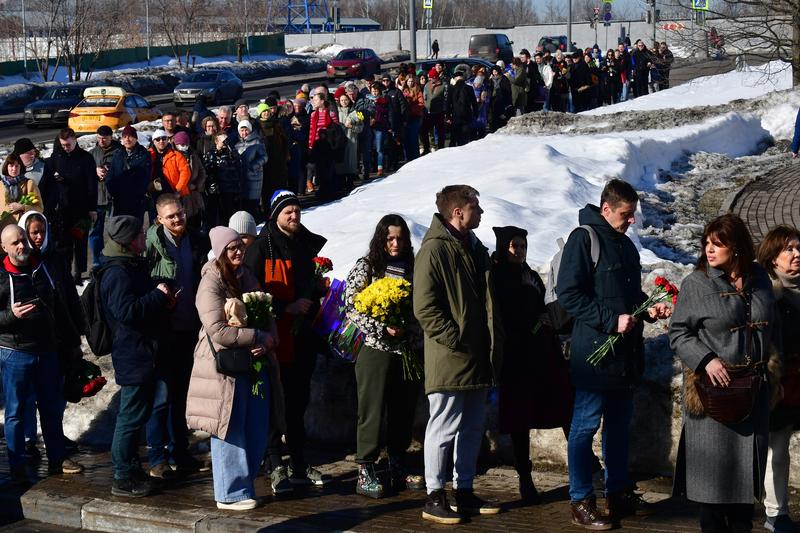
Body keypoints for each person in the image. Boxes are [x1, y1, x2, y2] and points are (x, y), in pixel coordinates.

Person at [557, 179, 671, 530]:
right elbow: (569, 294)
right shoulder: (584, 239)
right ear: (606, 209)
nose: (632, 220)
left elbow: (627, 295)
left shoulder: (624, 245)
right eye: (626, 214)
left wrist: (647, 310)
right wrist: (610, 320)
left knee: (619, 428)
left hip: (624, 357)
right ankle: (580, 499)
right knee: (584, 427)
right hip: (594, 356)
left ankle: (617, 490)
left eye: (633, 213)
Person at [669, 213, 779, 533]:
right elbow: (679, 333)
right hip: (713, 396)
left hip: (753, 394)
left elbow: (774, 327)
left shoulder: (759, 279)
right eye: (706, 243)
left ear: (737, 246)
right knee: (713, 501)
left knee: (744, 501)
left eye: (718, 244)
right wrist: (706, 360)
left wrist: (776, 370)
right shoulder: (696, 283)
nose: (709, 250)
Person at [413, 185, 501, 524]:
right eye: (475, 207)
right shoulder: (434, 250)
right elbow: (424, 306)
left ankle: (463, 490)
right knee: (444, 425)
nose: (481, 213)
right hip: (451, 356)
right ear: (457, 212)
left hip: (478, 356)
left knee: (472, 426)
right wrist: (454, 339)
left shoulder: (474, 248)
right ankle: (434, 494)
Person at [244, 190, 330, 495]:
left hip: (302, 338)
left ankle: (298, 461)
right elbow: (250, 297)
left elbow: (308, 287)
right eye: (287, 212)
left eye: (296, 211)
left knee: (297, 402)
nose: (294, 216)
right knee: (271, 403)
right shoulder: (261, 249)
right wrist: (285, 308)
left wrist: (319, 290)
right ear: (274, 216)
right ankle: (275, 462)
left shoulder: (305, 244)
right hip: (273, 340)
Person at [185, 226, 278, 510]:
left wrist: (269, 340)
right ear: (221, 251)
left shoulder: (246, 275)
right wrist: (258, 336)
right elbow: (218, 330)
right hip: (223, 368)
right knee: (230, 426)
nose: (238, 251)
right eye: (232, 248)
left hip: (252, 363)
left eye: (240, 246)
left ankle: (245, 485)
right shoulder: (210, 282)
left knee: (257, 425)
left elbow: (265, 311)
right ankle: (230, 493)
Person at [491, 225, 572, 504]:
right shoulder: (498, 276)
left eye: (523, 246)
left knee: (564, 404)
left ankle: (585, 469)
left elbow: (542, 302)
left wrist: (548, 318)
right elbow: (503, 313)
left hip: (544, 353)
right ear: (504, 247)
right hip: (517, 358)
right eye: (514, 246)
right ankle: (524, 477)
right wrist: (533, 321)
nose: (520, 251)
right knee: (520, 420)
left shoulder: (530, 275)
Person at [345, 214, 424, 499]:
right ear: (381, 239)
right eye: (390, 238)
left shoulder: (413, 268)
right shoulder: (367, 266)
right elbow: (351, 305)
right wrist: (381, 327)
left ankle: (397, 463)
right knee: (373, 410)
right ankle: (365, 468)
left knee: (403, 408)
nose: (395, 243)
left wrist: (410, 332)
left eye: (400, 238)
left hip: (405, 349)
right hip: (375, 348)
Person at [0, 224, 84, 483]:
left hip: (48, 349)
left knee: (50, 408)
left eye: (23, 240)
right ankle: (16, 465)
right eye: (15, 243)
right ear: (4, 247)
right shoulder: (2, 276)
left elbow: (59, 305)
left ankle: (57, 459)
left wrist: (72, 342)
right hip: (15, 352)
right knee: (15, 411)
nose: (22, 245)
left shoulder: (43, 267)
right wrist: (10, 316)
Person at [101, 216, 171, 497]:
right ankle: (121, 475)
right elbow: (126, 312)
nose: (145, 237)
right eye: (140, 234)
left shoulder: (130, 266)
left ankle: (131, 468)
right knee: (129, 417)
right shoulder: (117, 273)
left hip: (143, 351)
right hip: (132, 353)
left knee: (137, 414)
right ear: (128, 241)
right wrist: (157, 295)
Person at [144, 194, 210, 478]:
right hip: (163, 330)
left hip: (189, 327)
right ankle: (157, 458)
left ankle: (180, 452)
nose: (177, 219)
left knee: (181, 395)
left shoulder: (196, 239)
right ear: (159, 219)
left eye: (180, 213)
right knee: (161, 397)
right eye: (170, 216)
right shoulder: (153, 245)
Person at [18, 210, 85, 464]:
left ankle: (53, 435)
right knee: (28, 394)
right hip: (30, 339)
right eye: (33, 232)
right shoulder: (21, 260)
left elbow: (67, 293)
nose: (37, 237)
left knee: (56, 392)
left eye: (41, 232)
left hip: (58, 333)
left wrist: (77, 329)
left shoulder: (54, 258)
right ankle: (27, 439)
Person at [756, 226, 800, 533]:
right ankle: (776, 513)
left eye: (799, 249)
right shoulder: (766, 293)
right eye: (789, 250)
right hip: (782, 383)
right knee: (778, 447)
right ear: (772, 257)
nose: (797, 255)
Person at [39, 128, 96, 285]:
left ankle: (79, 273)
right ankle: (66, 274)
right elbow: (46, 182)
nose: (66, 147)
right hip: (62, 210)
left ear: (75, 140)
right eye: (63, 145)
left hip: (82, 209)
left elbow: (92, 185)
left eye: (68, 144)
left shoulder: (86, 158)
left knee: (80, 242)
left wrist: (92, 209)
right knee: (64, 244)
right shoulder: (55, 159)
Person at [89, 125, 121, 271]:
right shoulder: (92, 153)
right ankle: (97, 260)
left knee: (115, 230)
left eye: (105, 138)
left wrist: (111, 171)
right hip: (97, 197)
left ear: (111, 137)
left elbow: (125, 171)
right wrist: (94, 171)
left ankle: (114, 257)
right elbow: (86, 175)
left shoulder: (119, 151)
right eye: (99, 138)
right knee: (95, 231)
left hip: (114, 196)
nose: (102, 141)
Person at [106, 126, 151, 223]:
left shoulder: (144, 155)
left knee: (135, 231)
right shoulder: (117, 154)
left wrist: (135, 194)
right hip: (119, 200)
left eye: (130, 136)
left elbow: (145, 179)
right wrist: (114, 192)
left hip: (136, 201)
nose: (127, 139)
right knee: (120, 231)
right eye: (124, 136)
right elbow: (110, 176)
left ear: (136, 138)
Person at [203, 132, 243, 227]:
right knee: (213, 214)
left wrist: (231, 148)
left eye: (227, 140)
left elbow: (238, 164)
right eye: (223, 141)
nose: (225, 143)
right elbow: (206, 169)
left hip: (228, 188)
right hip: (215, 189)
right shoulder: (210, 153)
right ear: (216, 141)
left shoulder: (231, 153)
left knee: (227, 214)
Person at [256, 101, 289, 207]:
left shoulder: (276, 125)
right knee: (266, 190)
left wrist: (285, 157)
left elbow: (284, 142)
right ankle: (266, 210)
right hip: (265, 163)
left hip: (278, 162)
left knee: (279, 187)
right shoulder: (257, 127)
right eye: (264, 111)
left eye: (267, 111)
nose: (266, 113)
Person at [0, 153, 43, 230]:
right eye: (11, 166)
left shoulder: (29, 183)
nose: (14, 169)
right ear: (6, 167)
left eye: (17, 166)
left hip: (23, 227)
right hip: (4, 229)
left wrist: (22, 207)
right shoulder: (1, 185)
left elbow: (40, 208)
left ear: (21, 167)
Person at [173, 131, 206, 229]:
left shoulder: (193, 155)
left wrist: (196, 185)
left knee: (196, 218)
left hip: (194, 193)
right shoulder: (173, 156)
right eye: (181, 144)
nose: (184, 146)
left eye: (186, 144)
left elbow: (202, 172)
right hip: (180, 194)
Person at [234, 120, 267, 216]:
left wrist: (254, 166)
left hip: (254, 177)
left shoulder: (257, 141)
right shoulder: (236, 144)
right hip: (241, 178)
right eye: (242, 130)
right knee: (243, 205)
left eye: (246, 130)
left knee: (252, 204)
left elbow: (264, 157)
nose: (244, 133)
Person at [148, 129, 191, 200]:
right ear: (154, 142)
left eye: (164, 138)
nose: (161, 141)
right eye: (158, 139)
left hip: (173, 192)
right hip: (154, 191)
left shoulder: (176, 155)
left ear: (167, 140)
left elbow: (185, 173)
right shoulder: (148, 155)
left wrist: (178, 189)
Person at [446, 66, 478, 147]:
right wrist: (475, 113)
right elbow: (474, 102)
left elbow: (448, 103)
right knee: (464, 138)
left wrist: (448, 116)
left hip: (455, 116)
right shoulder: (469, 88)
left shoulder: (451, 89)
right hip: (467, 115)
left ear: (455, 79)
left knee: (454, 138)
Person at [402, 75, 424, 162]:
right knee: (406, 139)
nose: (410, 83)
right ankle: (408, 158)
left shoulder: (417, 90)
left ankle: (415, 158)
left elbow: (421, 103)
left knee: (413, 138)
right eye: (409, 81)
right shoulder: (404, 91)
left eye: (412, 81)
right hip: (405, 118)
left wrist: (411, 108)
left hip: (414, 116)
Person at [488, 64, 512, 133]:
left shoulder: (503, 78)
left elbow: (507, 90)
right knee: (493, 114)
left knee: (501, 115)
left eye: (495, 71)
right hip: (493, 99)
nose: (494, 73)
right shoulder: (491, 80)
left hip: (502, 98)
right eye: (493, 71)